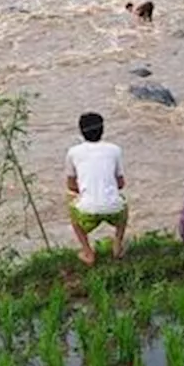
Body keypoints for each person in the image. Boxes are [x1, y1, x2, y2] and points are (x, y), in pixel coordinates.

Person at [65, 112, 128, 266]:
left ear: (81, 131)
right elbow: (121, 183)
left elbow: (71, 185)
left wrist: (87, 191)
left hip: (87, 212)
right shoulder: (115, 150)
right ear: (103, 130)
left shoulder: (73, 152)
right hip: (114, 210)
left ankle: (87, 252)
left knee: (72, 210)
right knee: (124, 205)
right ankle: (117, 245)